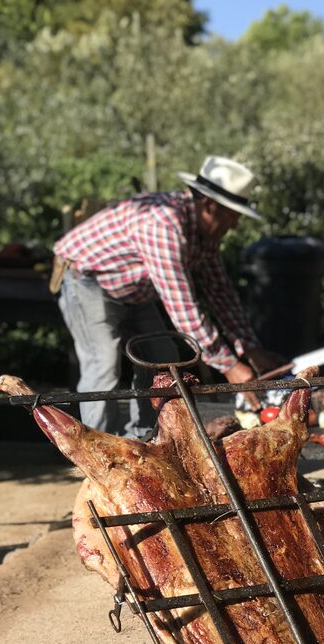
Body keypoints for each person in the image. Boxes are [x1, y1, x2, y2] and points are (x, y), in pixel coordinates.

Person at [52, 156, 285, 437]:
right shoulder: (163, 225)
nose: (234, 225)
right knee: (103, 365)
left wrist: (250, 349)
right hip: (87, 280)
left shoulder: (204, 232)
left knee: (165, 360)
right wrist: (231, 367)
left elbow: (221, 294)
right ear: (210, 206)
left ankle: (148, 441)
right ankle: (96, 456)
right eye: (232, 215)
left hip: (134, 290)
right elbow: (186, 312)